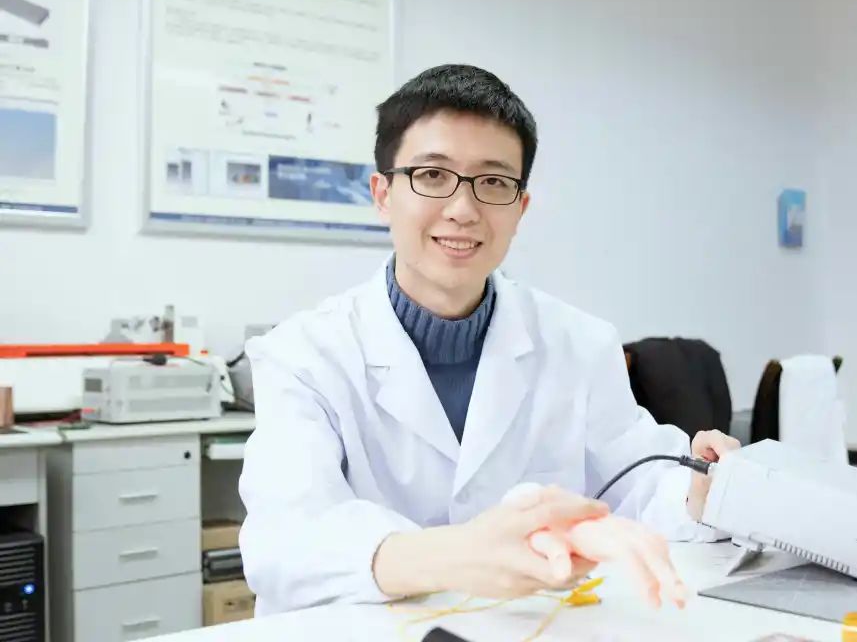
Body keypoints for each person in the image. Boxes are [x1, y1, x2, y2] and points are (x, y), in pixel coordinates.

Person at [238, 64, 741, 616]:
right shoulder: (303, 355)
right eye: (433, 175)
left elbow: (639, 482)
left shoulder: (580, 344)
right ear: (382, 194)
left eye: (494, 182)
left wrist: (698, 491)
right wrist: (459, 555)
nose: (463, 210)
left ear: (520, 208)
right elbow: (286, 541)